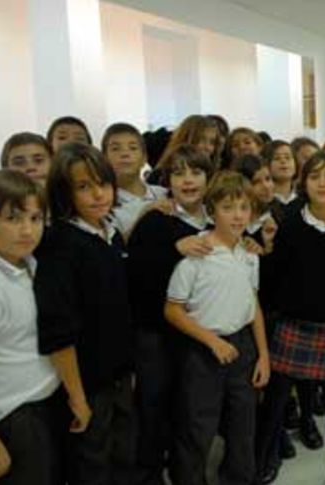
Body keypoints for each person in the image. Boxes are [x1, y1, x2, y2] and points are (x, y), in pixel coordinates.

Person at [256, 152, 325, 485]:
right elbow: (273, 277)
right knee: (276, 401)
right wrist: (267, 251)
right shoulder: (289, 221)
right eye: (315, 176)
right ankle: (262, 464)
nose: (322, 183)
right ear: (304, 181)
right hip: (293, 324)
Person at [35, 143, 137, 484]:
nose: (98, 194)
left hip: (118, 372)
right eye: (83, 187)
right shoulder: (59, 245)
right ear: (65, 193)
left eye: (103, 184)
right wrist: (77, 397)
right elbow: (58, 331)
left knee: (123, 453)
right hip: (88, 381)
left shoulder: (110, 234)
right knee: (92, 462)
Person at [164, 171, 270, 485]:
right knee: (198, 427)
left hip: (243, 348)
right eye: (227, 208)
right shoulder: (196, 255)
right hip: (203, 349)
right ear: (212, 212)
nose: (237, 215)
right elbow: (172, 310)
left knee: (242, 426)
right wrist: (212, 342)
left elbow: (253, 307)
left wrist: (263, 355)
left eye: (243, 207)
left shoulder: (250, 255)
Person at [126, 145, 216, 485]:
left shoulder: (214, 219)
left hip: (198, 333)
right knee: (153, 407)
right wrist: (173, 249)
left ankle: (187, 474)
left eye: (195, 172)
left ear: (209, 178)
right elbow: (135, 271)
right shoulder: (155, 219)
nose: (188, 180)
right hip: (156, 334)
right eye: (179, 173)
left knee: (190, 410)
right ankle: (150, 474)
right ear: (169, 181)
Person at [0, 170, 65, 484]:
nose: (27, 229)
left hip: (44, 404)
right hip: (10, 417)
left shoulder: (27, 265)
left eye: (35, 217)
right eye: (13, 218)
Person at [101, 123, 169, 236]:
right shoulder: (102, 204)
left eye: (133, 148)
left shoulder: (165, 193)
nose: (125, 154)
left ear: (144, 158)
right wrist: (144, 215)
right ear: (104, 159)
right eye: (115, 149)